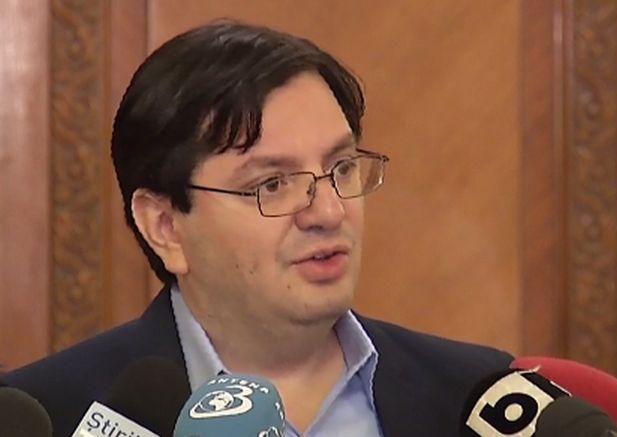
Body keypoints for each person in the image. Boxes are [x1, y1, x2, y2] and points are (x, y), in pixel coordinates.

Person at [6, 19, 512, 436]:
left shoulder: (481, 400)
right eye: (272, 185)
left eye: (341, 169)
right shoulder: (46, 415)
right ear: (165, 226)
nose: (329, 213)